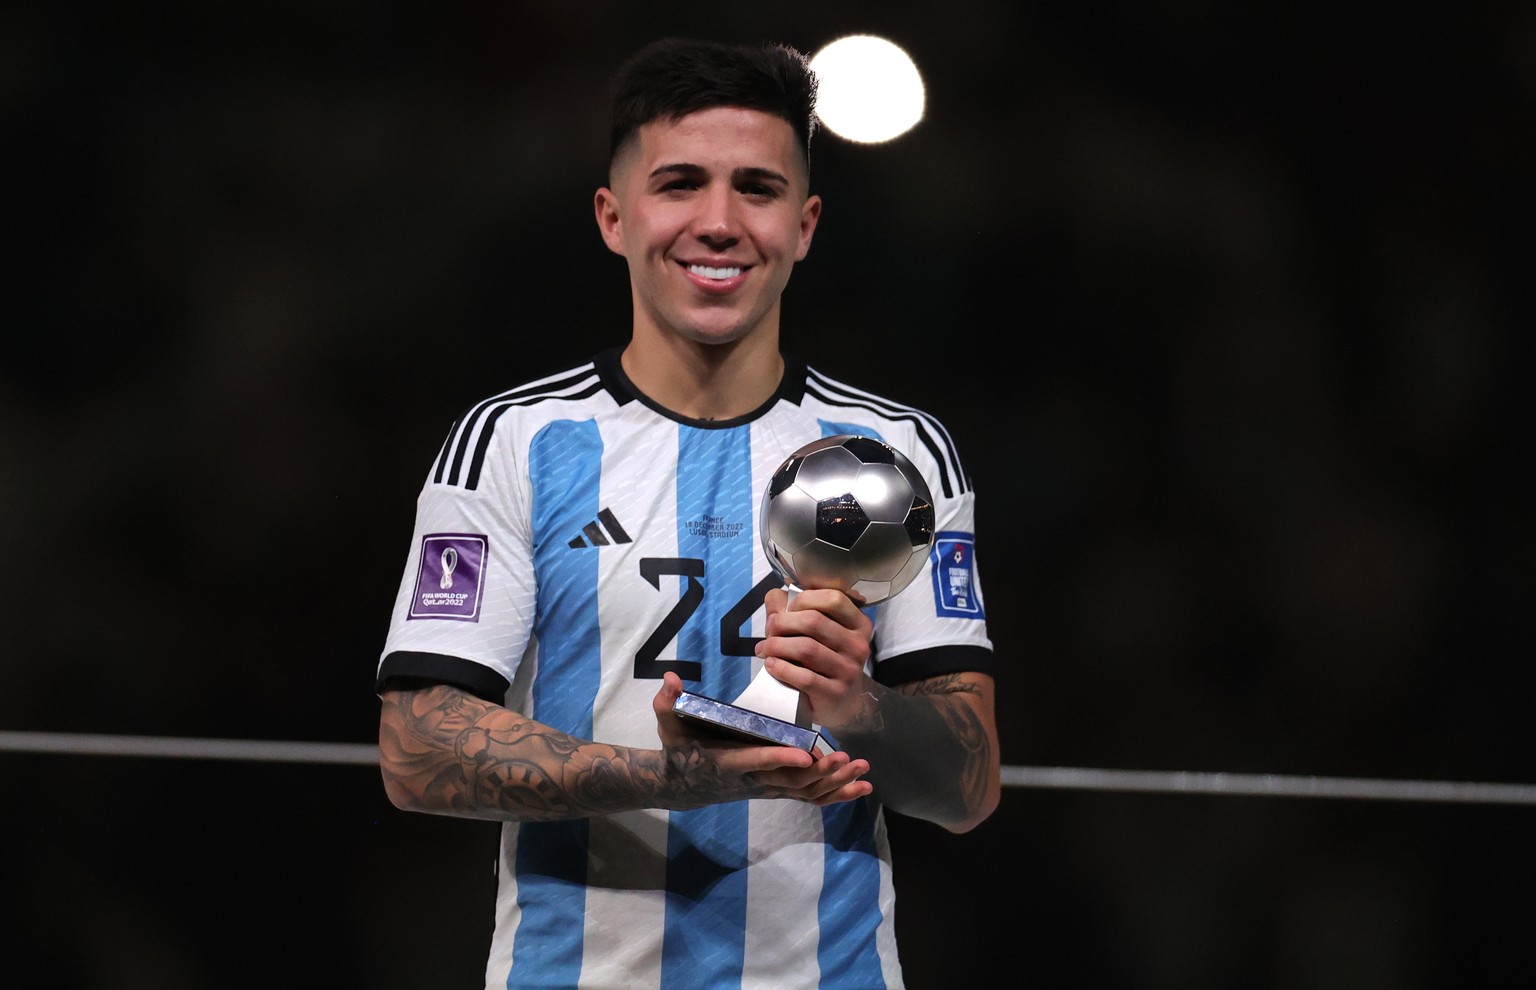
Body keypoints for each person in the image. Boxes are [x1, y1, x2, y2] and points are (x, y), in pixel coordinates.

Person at [375, 36, 1000, 990]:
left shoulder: (897, 455)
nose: (719, 221)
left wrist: (857, 705)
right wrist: (680, 778)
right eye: (679, 184)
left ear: (806, 223)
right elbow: (416, 750)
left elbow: (967, 787)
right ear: (613, 217)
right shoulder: (514, 442)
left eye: (757, 187)